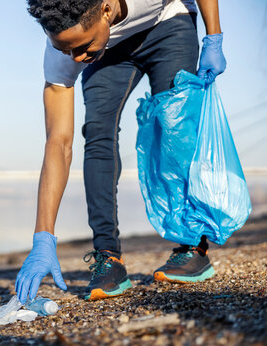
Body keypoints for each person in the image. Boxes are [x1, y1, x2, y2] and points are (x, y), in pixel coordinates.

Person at [15, 0, 226, 303]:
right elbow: (58, 144)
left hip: (167, 22)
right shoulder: (66, 51)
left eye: (82, 46)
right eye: (67, 50)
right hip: (112, 48)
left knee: (176, 125)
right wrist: (43, 236)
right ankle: (108, 257)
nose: (76, 58)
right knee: (97, 132)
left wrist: (213, 36)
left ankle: (193, 247)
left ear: (106, 10)